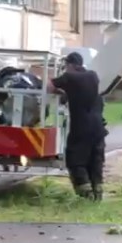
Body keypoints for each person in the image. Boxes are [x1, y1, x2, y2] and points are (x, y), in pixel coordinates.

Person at [50, 52, 106, 200]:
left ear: (70, 65)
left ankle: (86, 193)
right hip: (99, 128)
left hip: (81, 127)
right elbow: (84, 94)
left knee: (76, 159)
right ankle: (98, 191)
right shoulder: (93, 76)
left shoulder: (69, 77)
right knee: (96, 160)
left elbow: (49, 86)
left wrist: (59, 91)